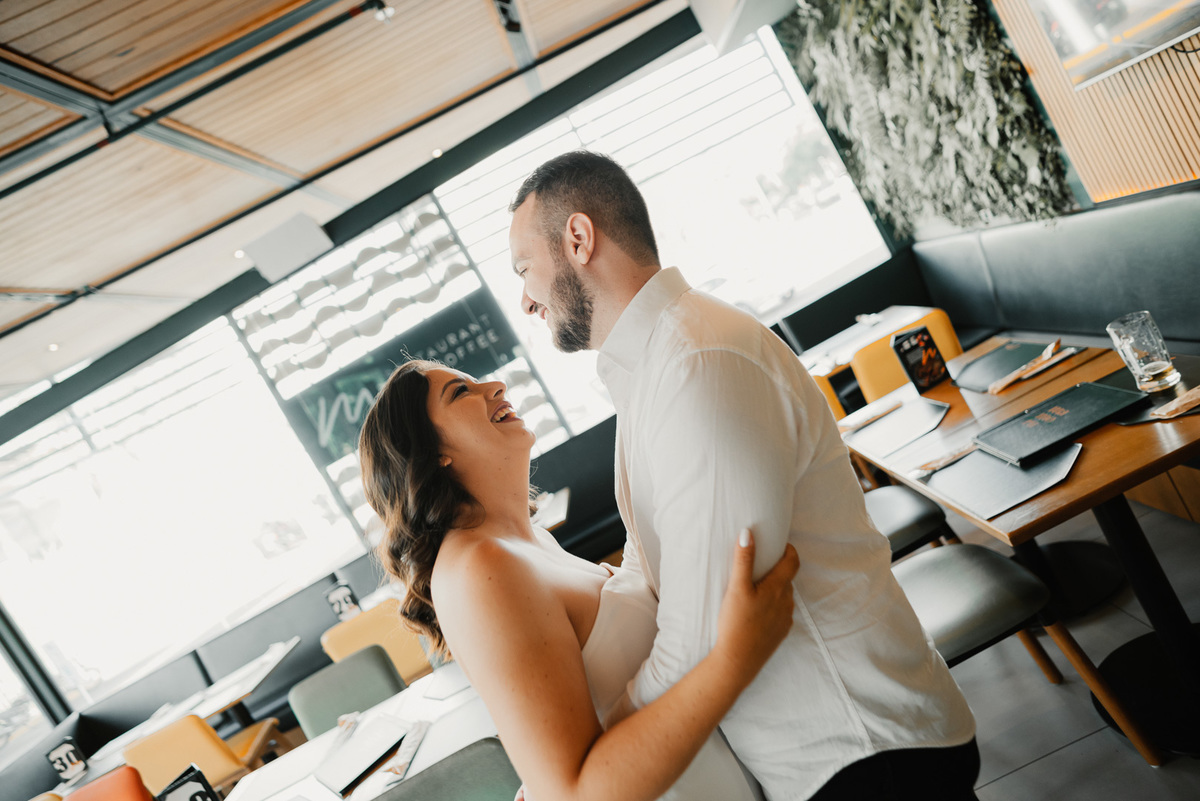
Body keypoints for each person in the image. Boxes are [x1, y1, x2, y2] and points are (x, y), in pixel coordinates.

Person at [508, 150, 979, 801]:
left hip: (863, 749)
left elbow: (703, 628)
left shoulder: (696, 362)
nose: (525, 300)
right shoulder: (653, 370)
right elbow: (656, 575)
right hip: (831, 754)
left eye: (525, 269)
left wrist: (596, 750)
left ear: (579, 239)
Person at [358, 359, 800, 801]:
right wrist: (736, 659)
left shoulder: (525, 542)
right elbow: (574, 794)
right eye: (460, 392)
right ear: (432, 453)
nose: (494, 385)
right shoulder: (480, 568)